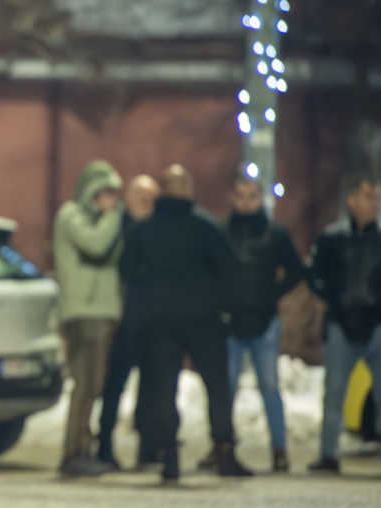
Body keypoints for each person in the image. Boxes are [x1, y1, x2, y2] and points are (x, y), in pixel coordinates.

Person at [120, 164, 253, 481]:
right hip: (204, 319)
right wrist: (219, 302)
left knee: (163, 390)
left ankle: (169, 457)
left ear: (162, 193)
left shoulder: (144, 229)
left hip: (160, 322)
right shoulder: (206, 226)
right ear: (189, 191)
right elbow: (230, 268)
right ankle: (224, 451)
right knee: (217, 388)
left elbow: (127, 271)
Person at [219, 175, 305, 472]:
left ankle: (279, 449)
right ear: (232, 197)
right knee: (226, 387)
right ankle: (223, 445)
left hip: (265, 320)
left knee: (269, 386)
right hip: (230, 321)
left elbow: (296, 270)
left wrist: (273, 294)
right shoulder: (221, 232)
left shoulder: (275, 234)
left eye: (252, 195)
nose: (246, 201)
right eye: (241, 195)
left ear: (260, 198)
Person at [307, 174, 381, 477]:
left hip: (379, 324)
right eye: (368, 197)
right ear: (352, 200)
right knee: (335, 392)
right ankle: (328, 454)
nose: (374, 203)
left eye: (377, 197)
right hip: (341, 322)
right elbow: (314, 274)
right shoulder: (333, 239)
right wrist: (333, 296)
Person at [52, 160, 124, 477]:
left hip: (103, 312)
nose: (112, 200)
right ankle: (72, 453)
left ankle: (83, 446)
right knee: (85, 384)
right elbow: (95, 245)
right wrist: (113, 216)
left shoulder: (102, 222)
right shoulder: (71, 216)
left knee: (94, 385)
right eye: (105, 193)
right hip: (84, 312)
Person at [96, 174, 160, 469]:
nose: (148, 206)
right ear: (130, 199)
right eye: (143, 200)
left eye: (152, 201)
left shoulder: (158, 229)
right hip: (122, 318)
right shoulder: (116, 227)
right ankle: (105, 447)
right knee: (115, 386)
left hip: (150, 319)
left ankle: (147, 449)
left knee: (150, 387)